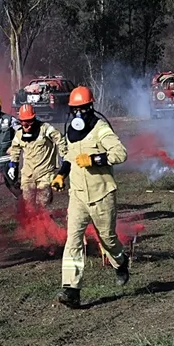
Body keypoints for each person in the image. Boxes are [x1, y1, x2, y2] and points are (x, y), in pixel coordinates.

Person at [51, 86, 130, 309]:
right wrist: (60, 175)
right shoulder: (71, 131)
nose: (78, 114)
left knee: (107, 240)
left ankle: (121, 262)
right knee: (73, 241)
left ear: (90, 107)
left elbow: (120, 153)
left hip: (101, 194)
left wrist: (95, 159)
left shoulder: (100, 128)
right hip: (77, 195)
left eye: (82, 109)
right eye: (74, 110)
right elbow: (69, 155)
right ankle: (71, 289)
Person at [8, 104, 68, 210]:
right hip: (28, 174)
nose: (28, 125)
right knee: (27, 203)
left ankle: (43, 224)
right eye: (24, 122)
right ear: (20, 121)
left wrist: (63, 156)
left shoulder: (45, 129)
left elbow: (60, 139)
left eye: (30, 121)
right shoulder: (18, 134)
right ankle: (30, 225)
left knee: (43, 202)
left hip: (45, 173)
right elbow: (15, 150)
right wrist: (13, 165)